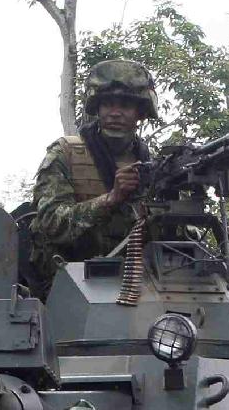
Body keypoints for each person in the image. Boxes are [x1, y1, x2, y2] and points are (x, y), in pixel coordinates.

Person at [29, 59, 157, 283]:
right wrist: (110, 199)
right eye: (108, 104)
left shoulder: (151, 165)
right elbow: (51, 224)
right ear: (96, 108)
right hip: (69, 284)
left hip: (136, 284)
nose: (115, 113)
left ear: (141, 112)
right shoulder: (66, 153)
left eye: (125, 105)